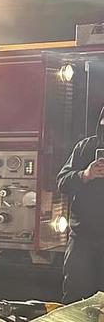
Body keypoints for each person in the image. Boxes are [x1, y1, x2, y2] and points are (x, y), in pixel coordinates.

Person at [57, 105, 104, 302]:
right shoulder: (85, 147)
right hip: (82, 239)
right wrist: (85, 174)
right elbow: (62, 182)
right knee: (75, 298)